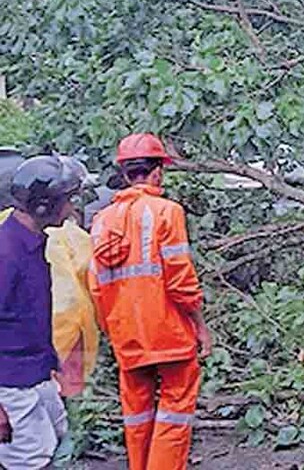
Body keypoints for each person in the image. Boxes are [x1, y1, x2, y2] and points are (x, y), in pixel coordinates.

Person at [88, 134, 212, 470]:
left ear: (124, 173)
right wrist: (200, 327)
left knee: (137, 416)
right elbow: (180, 280)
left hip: (127, 337)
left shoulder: (100, 221)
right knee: (174, 413)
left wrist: (112, 332)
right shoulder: (166, 212)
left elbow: (96, 287)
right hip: (169, 334)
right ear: (157, 172)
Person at [0, 156, 84, 468]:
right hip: (10, 382)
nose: (73, 208)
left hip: (34, 372)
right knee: (29, 459)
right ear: (44, 206)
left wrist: (50, 360)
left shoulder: (33, 243)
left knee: (58, 436)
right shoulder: (6, 252)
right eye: (68, 201)